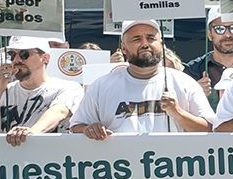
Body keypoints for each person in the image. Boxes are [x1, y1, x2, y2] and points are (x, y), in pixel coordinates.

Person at [71, 19, 215, 139]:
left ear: (162, 44)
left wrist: (178, 113)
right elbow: (76, 126)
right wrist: (90, 129)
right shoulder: (101, 86)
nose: (145, 44)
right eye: (136, 39)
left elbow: (209, 129)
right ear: (124, 48)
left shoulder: (185, 83)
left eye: (151, 38)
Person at [0, 36, 83, 145]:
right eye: (12, 54)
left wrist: (30, 133)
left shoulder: (68, 87)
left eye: (24, 54)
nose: (16, 60)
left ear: (45, 58)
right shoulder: (0, 90)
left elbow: (59, 112)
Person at [184, 8, 233, 105]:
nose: (227, 35)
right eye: (219, 29)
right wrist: (193, 94)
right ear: (209, 34)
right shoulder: (193, 70)